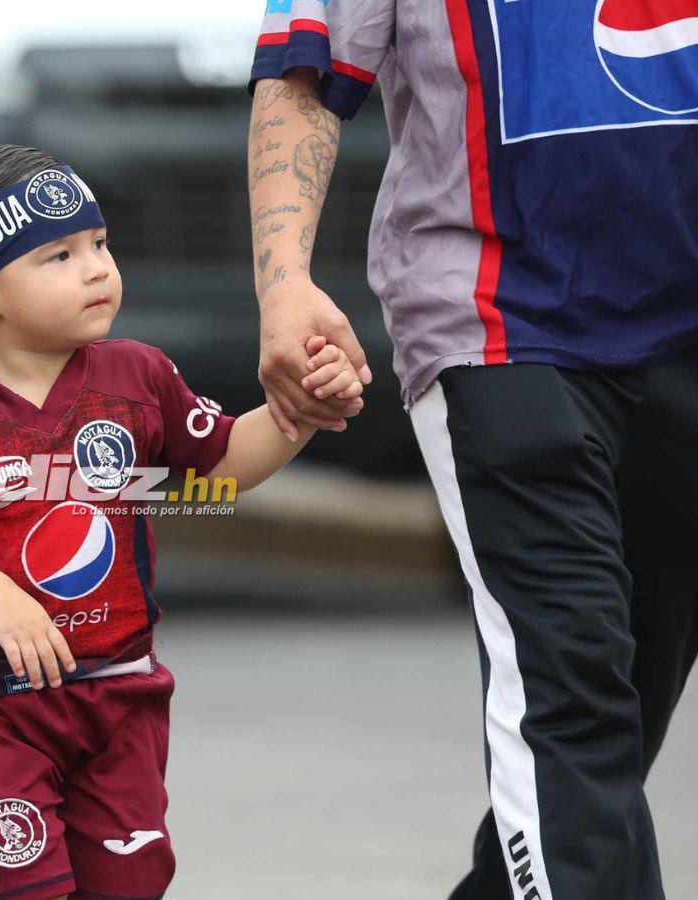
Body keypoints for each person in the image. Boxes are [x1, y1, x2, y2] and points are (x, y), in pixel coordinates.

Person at [246, 1, 698, 897]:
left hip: (682, 327)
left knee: (610, 737)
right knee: (569, 704)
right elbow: (303, 78)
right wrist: (284, 281)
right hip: (497, 324)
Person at [0, 143, 363, 900]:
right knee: (24, 886)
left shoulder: (140, 377)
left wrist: (297, 416)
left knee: (130, 883)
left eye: (100, 245)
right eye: (58, 256)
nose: (97, 268)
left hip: (121, 698)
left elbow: (219, 470)